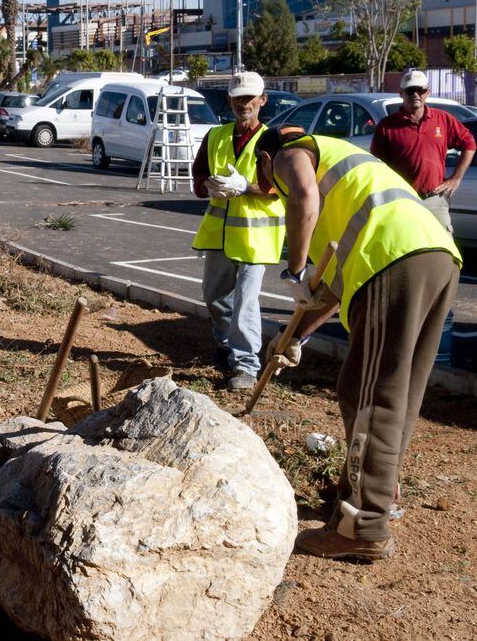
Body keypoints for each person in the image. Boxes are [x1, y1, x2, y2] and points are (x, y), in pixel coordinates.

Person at [253, 125, 461, 561]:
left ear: (267, 160)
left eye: (269, 184)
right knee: (399, 393)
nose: (275, 192)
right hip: (436, 255)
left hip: (394, 255)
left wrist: (293, 271)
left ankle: (363, 525)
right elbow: (329, 288)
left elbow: (303, 197)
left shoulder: (293, 151)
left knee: (367, 393)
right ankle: (373, 493)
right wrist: (295, 338)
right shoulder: (348, 174)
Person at [190, 71, 287, 390]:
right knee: (215, 298)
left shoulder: (274, 140)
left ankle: (246, 366)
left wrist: (247, 187)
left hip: (256, 238)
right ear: (230, 100)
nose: (243, 104)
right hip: (219, 235)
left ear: (262, 100)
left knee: (245, 302)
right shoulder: (216, 137)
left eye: (250, 98)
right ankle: (226, 345)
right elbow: (198, 177)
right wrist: (209, 186)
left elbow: (281, 187)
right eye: (238, 98)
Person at [370, 70, 476, 232]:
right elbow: (377, 166)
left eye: (421, 90)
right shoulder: (386, 126)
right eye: (410, 90)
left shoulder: (443, 119)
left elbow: (469, 143)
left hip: (434, 199)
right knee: (405, 250)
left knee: (444, 251)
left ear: (428, 93)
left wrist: (456, 178)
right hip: (402, 201)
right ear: (401, 94)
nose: (416, 94)